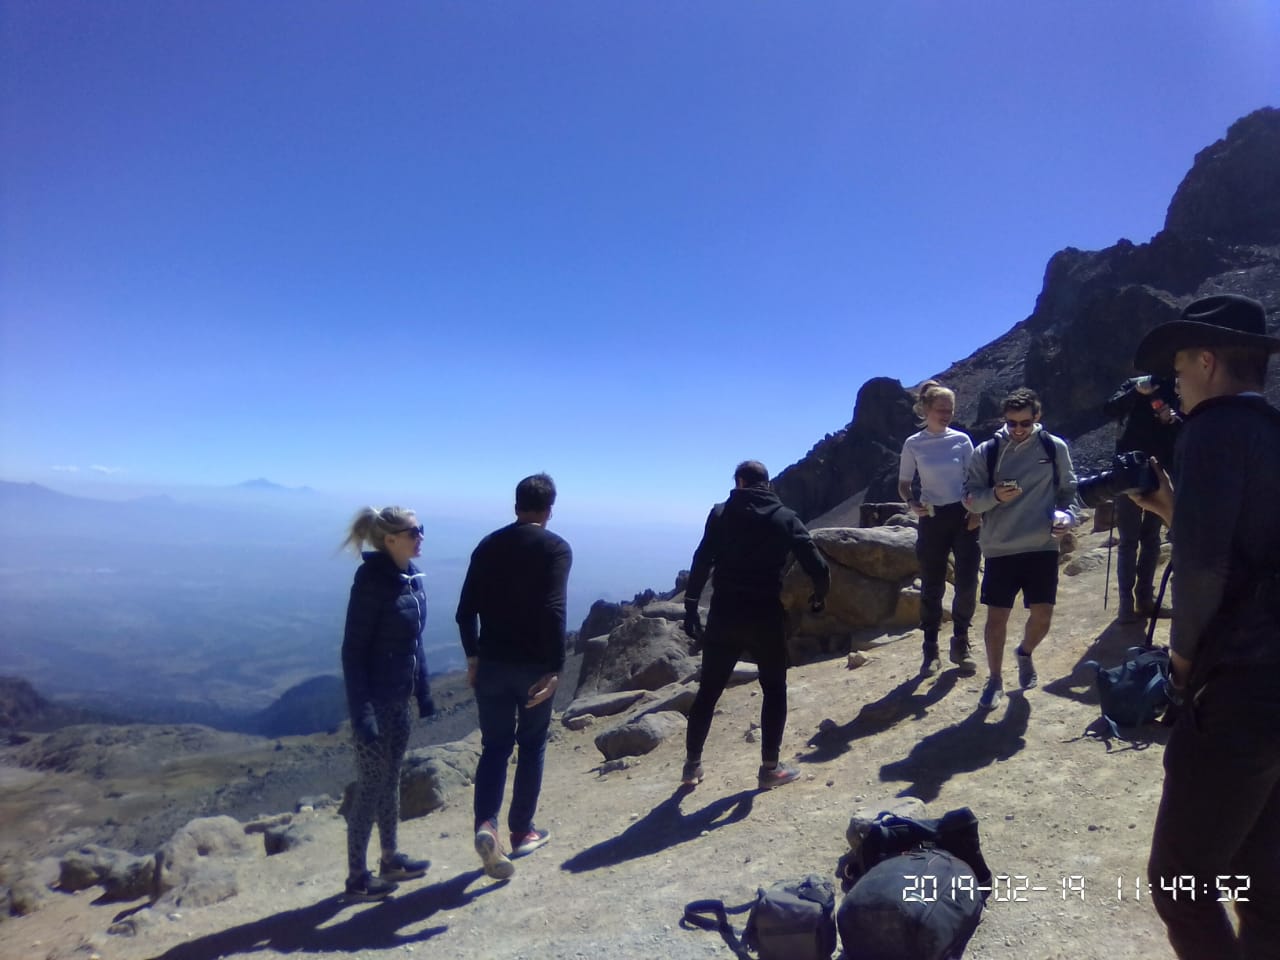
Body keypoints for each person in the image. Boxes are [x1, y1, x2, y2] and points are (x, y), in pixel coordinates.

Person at [1129, 293, 1280, 959]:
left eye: (1181, 368)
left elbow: (1203, 569)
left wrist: (1183, 663)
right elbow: (1250, 550)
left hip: (1239, 683)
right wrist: (1173, 512)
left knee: (1180, 884)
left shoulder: (1213, 429)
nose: (1177, 384)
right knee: (1263, 874)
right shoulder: (1270, 431)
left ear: (1208, 361)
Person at [681, 460, 830, 791]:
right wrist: (819, 597)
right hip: (766, 616)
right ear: (768, 484)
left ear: (739, 482)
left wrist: (690, 605)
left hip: (724, 614)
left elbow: (702, 559)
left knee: (708, 691)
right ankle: (770, 769)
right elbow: (817, 565)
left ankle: (692, 766)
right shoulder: (785, 517)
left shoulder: (720, 514)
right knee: (774, 689)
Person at [456, 473, 572, 880]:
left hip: (491, 664)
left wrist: (473, 657)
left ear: (516, 505)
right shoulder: (556, 548)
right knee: (533, 743)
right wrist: (555, 668)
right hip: (534, 668)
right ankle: (522, 831)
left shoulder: (487, 545)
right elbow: (554, 609)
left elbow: (464, 612)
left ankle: (486, 826)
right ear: (549, 509)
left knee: (495, 747)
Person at [339, 506, 435, 900]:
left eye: (421, 529)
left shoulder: (410, 578)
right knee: (370, 787)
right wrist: (363, 714)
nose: (420, 537)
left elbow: (414, 641)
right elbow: (353, 652)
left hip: (399, 700)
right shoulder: (371, 582)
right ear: (390, 539)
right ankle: (356, 877)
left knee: (391, 779)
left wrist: (423, 691)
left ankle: (390, 858)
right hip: (376, 705)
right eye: (414, 532)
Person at [963, 388, 1078, 711]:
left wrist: (1067, 516)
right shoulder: (987, 451)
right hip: (1000, 548)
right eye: (1011, 423)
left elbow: (1070, 490)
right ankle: (995, 679)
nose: (1017, 430)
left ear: (1037, 417)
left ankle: (1025, 652)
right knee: (996, 617)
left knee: (1042, 616)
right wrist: (994, 496)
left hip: (1042, 545)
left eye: (1025, 423)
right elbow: (969, 498)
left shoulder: (1053, 448)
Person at [897, 380, 981, 676]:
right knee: (932, 585)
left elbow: (976, 479)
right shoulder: (913, 444)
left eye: (950, 410)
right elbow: (904, 484)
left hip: (964, 515)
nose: (946, 415)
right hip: (932, 518)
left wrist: (977, 512)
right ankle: (930, 649)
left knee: (967, 582)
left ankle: (961, 641)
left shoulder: (962, 440)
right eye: (940, 409)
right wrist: (911, 503)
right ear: (925, 409)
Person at [1102, 373, 1181, 622]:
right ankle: (1126, 604)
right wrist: (1137, 392)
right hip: (1130, 471)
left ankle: (1144, 599)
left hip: (1158, 470)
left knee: (1151, 538)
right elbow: (1110, 409)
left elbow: (1184, 424)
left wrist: (1171, 419)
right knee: (1129, 540)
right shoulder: (1134, 383)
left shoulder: (1174, 386)